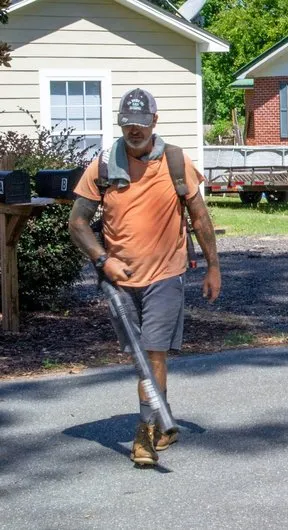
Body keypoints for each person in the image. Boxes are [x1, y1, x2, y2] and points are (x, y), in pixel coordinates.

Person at [68, 88, 222, 465]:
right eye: (127, 124)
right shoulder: (104, 165)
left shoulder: (174, 161)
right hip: (120, 280)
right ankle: (159, 418)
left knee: (151, 353)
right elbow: (77, 223)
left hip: (166, 275)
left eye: (140, 123)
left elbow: (199, 218)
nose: (133, 130)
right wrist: (103, 260)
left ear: (154, 121)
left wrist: (213, 266)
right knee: (143, 358)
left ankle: (145, 433)